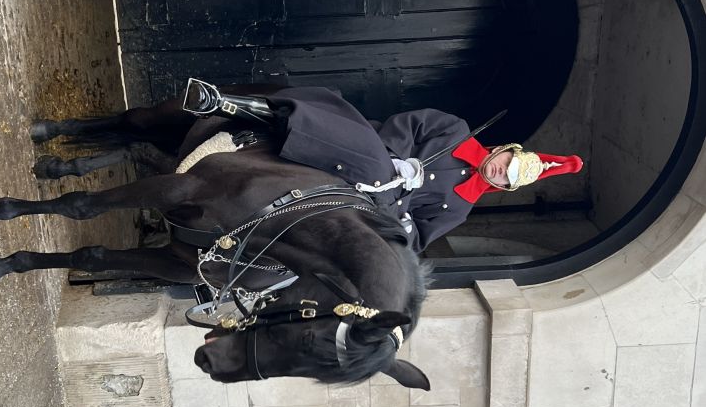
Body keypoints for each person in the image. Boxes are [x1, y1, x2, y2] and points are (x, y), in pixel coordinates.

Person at [186, 82, 584, 253]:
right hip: (371, 153)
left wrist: (400, 213)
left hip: (375, 203)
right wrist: (397, 158)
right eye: (507, 164)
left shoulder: (459, 208)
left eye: (508, 179)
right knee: (347, 139)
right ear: (503, 151)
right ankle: (232, 106)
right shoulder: (457, 133)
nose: (501, 172)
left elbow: (415, 238)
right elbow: (410, 123)